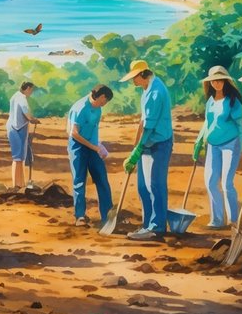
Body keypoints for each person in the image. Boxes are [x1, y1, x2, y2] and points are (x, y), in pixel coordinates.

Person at [120, 59, 173, 241]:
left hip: (160, 143)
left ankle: (157, 227)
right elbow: (142, 122)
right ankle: (147, 224)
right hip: (146, 143)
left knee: (156, 185)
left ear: (143, 74)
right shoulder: (145, 90)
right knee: (143, 186)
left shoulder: (156, 92)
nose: (132, 81)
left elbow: (149, 127)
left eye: (134, 77)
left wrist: (138, 149)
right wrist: (135, 149)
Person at [192, 65, 242, 231]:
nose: (217, 83)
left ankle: (233, 220)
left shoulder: (232, 101)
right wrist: (198, 142)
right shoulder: (210, 101)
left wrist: (240, 146)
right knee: (211, 181)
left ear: (225, 81)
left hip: (231, 143)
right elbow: (207, 123)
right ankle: (217, 220)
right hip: (213, 145)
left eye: (220, 80)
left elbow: (240, 125)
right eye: (214, 80)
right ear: (210, 83)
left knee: (227, 183)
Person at [68, 85, 114, 226]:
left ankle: (108, 215)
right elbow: (73, 133)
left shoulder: (98, 109)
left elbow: (93, 129)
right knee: (79, 180)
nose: (105, 103)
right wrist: (93, 147)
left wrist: (98, 145)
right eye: (105, 100)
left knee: (102, 179)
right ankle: (80, 216)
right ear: (101, 96)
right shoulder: (80, 108)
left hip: (92, 146)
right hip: (78, 147)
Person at [7, 81, 42, 188]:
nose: (31, 92)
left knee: (20, 158)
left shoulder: (15, 96)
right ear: (27, 88)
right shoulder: (22, 98)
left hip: (14, 127)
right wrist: (33, 120)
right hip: (18, 129)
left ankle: (20, 184)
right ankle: (16, 185)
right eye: (31, 90)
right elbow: (27, 113)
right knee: (18, 158)